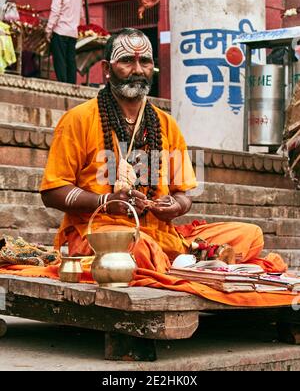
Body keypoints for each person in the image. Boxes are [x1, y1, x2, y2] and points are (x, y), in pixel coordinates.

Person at [40, 28, 284, 273]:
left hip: (160, 234)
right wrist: (105, 201)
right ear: (106, 68)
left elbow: (183, 194)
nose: (137, 70)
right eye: (126, 60)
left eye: (144, 61)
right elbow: (52, 192)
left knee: (250, 235)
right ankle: (189, 260)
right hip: (99, 233)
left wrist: (175, 206)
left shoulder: (165, 123)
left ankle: (179, 258)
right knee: (139, 248)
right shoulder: (78, 119)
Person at [45, 0, 83, 84]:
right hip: (72, 32)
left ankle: (62, 83)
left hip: (60, 30)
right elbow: (81, 15)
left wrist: (48, 30)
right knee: (70, 59)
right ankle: (72, 83)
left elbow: (55, 12)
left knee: (59, 58)